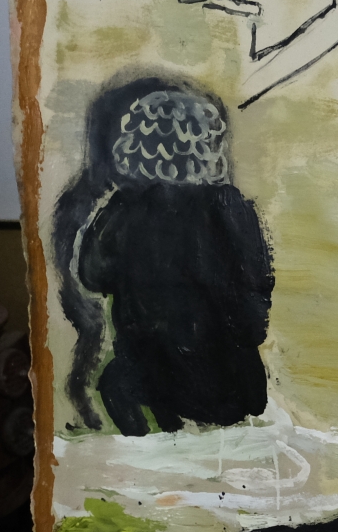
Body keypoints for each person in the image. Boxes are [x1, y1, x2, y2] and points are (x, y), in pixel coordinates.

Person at [69, 78, 274, 434]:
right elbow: (258, 286)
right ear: (206, 143)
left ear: (137, 143)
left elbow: (91, 275)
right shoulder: (230, 204)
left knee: (115, 385)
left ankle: (152, 446)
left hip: (153, 372)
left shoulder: (124, 208)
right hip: (227, 377)